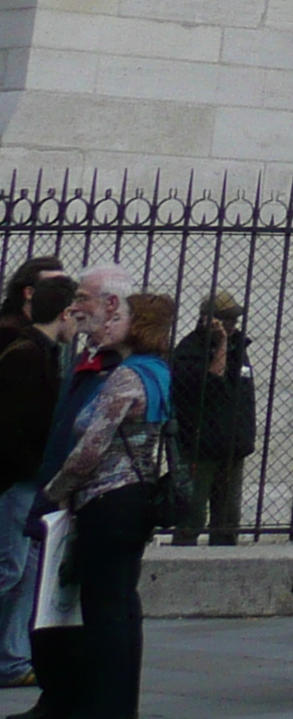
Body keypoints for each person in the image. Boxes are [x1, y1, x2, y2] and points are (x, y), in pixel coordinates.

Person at [32, 283, 170, 719]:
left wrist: (54, 491)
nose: (113, 321)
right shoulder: (158, 371)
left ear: (138, 326)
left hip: (106, 499)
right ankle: (119, 702)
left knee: (103, 608)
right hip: (138, 497)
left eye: (122, 316)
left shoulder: (127, 377)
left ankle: (105, 705)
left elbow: (91, 448)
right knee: (123, 606)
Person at [0, 268, 74, 694]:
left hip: (31, 481)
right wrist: (35, 468)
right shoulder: (27, 354)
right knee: (10, 569)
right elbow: (9, 424)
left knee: (25, 571)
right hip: (19, 481)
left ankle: (11, 658)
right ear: (63, 314)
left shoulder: (43, 351)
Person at [167, 292, 255, 546]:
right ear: (208, 320)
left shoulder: (239, 347)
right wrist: (222, 344)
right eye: (225, 319)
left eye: (233, 320)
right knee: (192, 516)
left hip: (231, 447)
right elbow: (212, 383)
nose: (231, 325)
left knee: (227, 518)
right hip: (200, 448)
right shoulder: (189, 350)